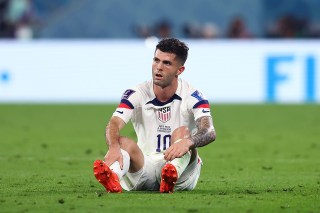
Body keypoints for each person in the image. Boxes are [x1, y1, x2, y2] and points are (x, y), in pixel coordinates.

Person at [93, 38, 216, 193]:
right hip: (145, 167)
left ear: (180, 70)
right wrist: (113, 146)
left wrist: (188, 142)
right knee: (122, 142)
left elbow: (209, 131)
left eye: (167, 63)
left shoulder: (193, 95)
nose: (158, 67)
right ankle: (113, 176)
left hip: (182, 174)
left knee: (182, 134)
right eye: (156, 60)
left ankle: (172, 173)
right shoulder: (136, 93)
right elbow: (114, 123)